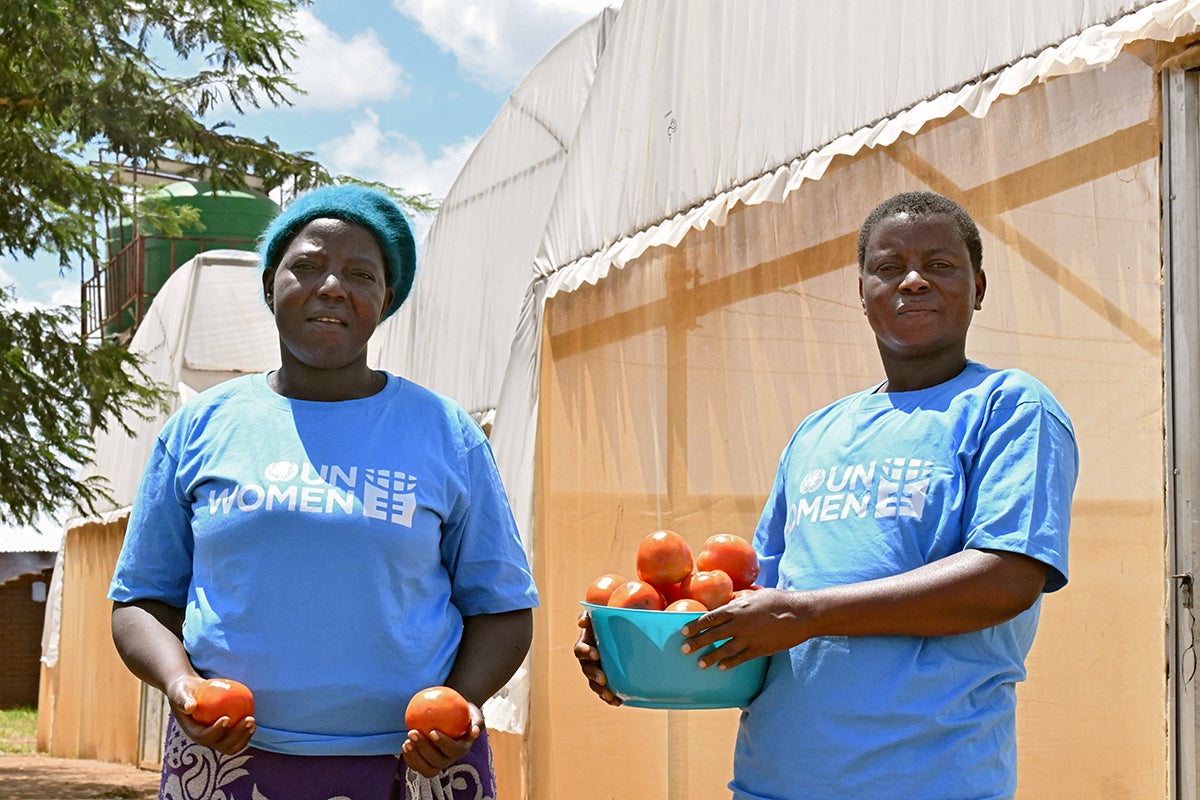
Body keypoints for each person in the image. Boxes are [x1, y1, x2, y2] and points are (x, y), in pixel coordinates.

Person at [575, 190, 1078, 799]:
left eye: (940, 265)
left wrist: (807, 613)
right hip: (771, 783)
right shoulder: (818, 431)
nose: (913, 281)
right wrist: (641, 656)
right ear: (862, 293)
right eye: (889, 267)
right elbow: (758, 602)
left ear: (978, 288)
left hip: (930, 784)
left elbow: (1006, 579)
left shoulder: (1010, 406)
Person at [110, 184, 539, 800]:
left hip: (416, 765)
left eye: (360, 273)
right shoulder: (201, 427)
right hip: (227, 761)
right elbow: (141, 600)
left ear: (385, 300)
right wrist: (181, 685)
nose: (332, 286)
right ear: (269, 286)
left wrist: (460, 704)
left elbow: (501, 606)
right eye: (307, 266)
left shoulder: (446, 433)